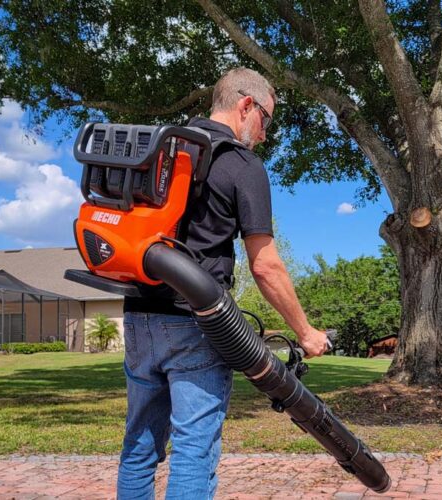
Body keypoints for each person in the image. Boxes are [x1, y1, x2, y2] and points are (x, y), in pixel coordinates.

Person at [116, 67, 329, 499]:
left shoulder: (161, 148)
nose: (265, 134)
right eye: (267, 120)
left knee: (139, 447)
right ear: (246, 105)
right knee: (194, 452)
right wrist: (306, 333)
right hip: (197, 321)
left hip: (138, 316)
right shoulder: (240, 163)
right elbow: (265, 264)